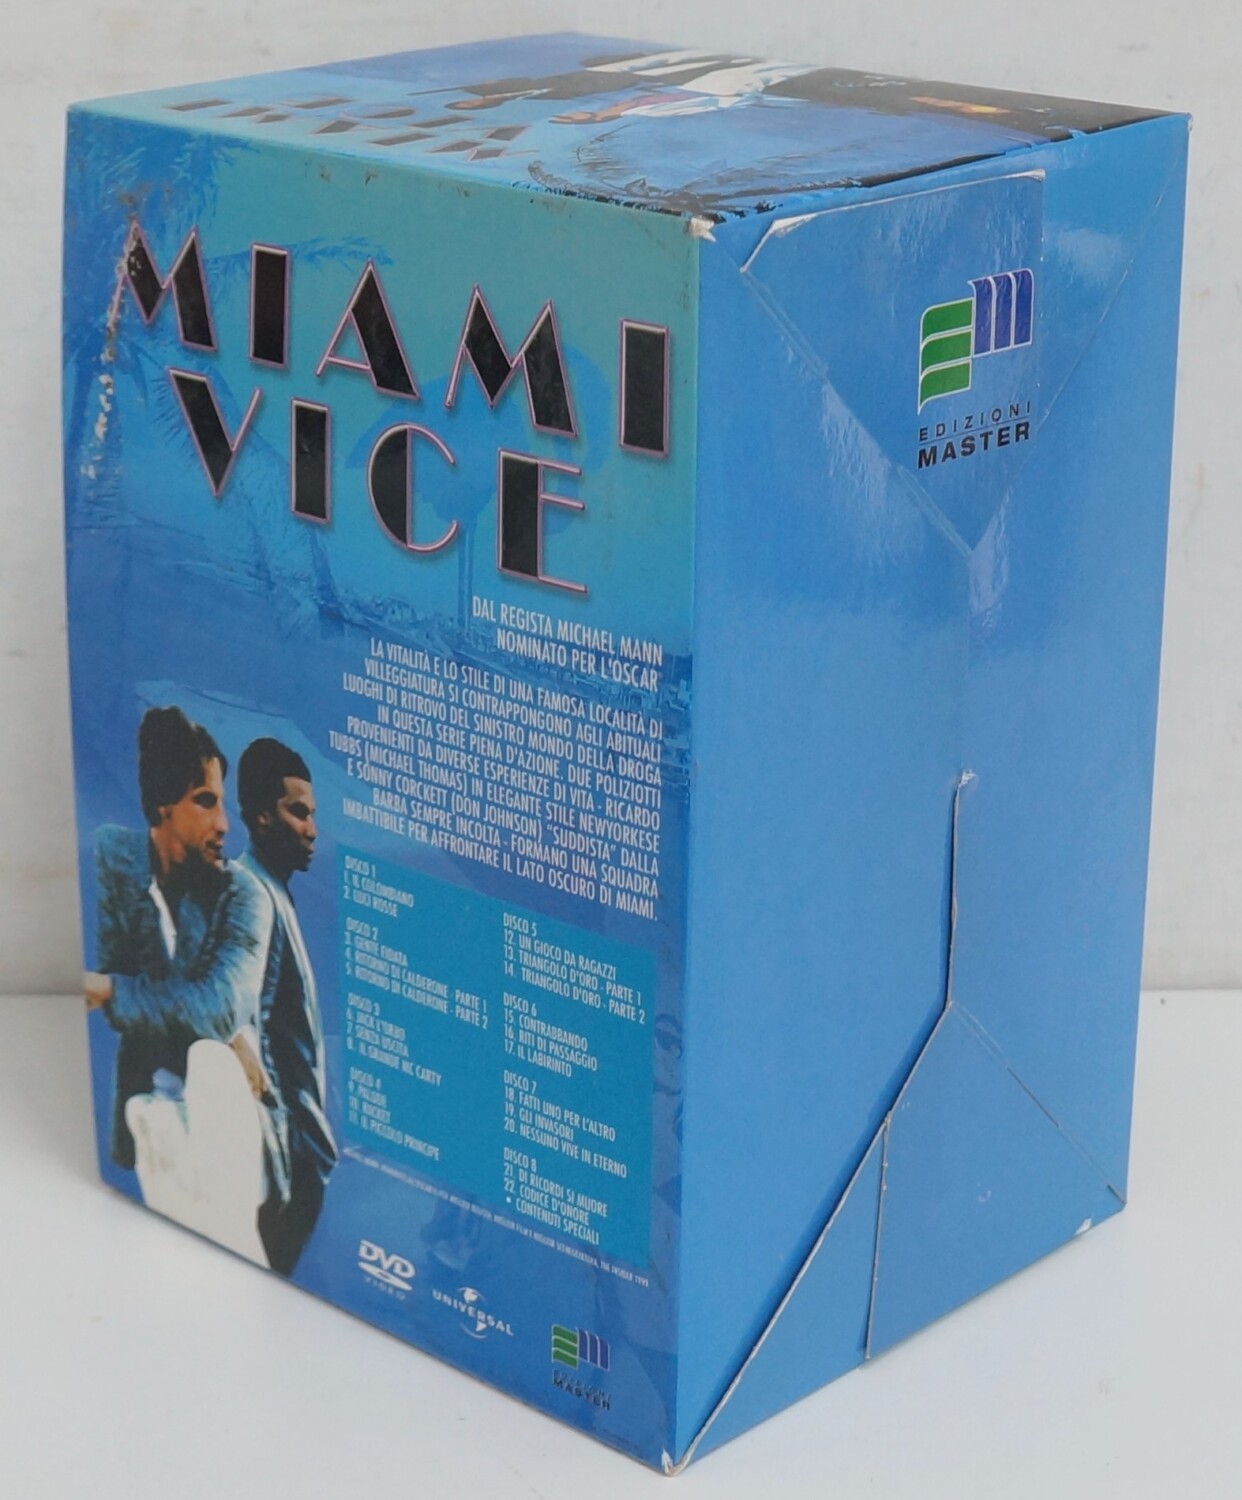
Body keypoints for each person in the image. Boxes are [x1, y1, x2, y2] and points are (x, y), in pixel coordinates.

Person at [85, 706, 275, 1261]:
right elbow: (117, 969)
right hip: (147, 1117)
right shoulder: (114, 860)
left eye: (222, 803)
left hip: (232, 1127)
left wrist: (114, 991)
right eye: (206, 801)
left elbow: (215, 1005)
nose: (225, 825)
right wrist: (212, 1023)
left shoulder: (244, 895)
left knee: (212, 1060)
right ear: (164, 804)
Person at [236, 738, 337, 1276]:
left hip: (297, 1153)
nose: (312, 829)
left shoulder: (271, 890)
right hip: (285, 1158)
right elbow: (245, 1028)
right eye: (298, 812)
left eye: (312, 814)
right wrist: (284, 1147)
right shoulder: (251, 892)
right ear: (261, 817)